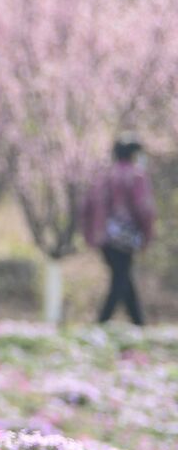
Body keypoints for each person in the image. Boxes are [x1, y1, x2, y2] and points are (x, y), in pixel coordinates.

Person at [81, 134, 156, 327]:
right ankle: (102, 321)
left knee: (122, 276)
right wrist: (147, 234)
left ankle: (138, 322)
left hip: (103, 237)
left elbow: (86, 207)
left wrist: (90, 234)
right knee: (120, 278)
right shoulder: (136, 176)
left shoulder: (103, 176)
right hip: (125, 237)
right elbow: (144, 208)